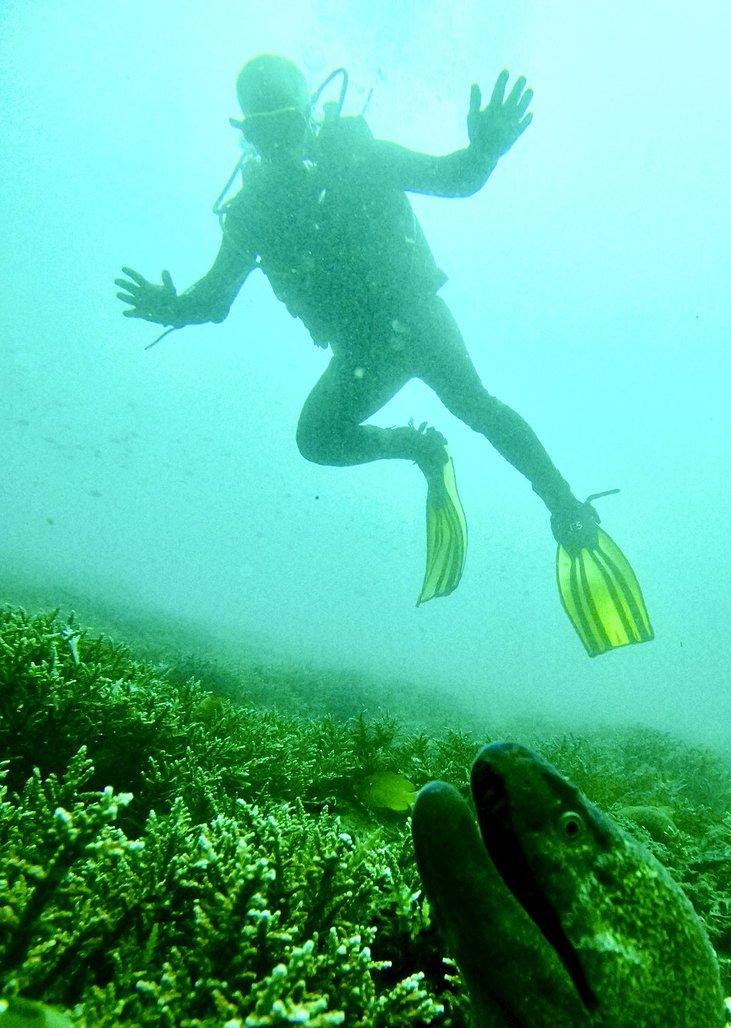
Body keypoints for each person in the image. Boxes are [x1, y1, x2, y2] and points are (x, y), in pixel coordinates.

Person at [116, 54, 652, 654]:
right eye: (263, 131)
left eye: (286, 124)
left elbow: (457, 178)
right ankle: (417, 447)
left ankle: (563, 506)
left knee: (475, 404)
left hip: (415, 318)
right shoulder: (252, 212)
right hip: (360, 347)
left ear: (310, 115)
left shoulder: (360, 155)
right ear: (246, 132)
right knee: (316, 439)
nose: (279, 143)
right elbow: (214, 300)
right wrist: (176, 307)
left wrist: (486, 150)